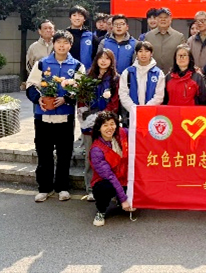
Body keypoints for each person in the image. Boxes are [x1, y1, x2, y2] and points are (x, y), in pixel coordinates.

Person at [26, 30, 86, 203]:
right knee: (44, 153)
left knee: (64, 153)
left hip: (65, 117)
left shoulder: (77, 66)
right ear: (53, 44)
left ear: (70, 45)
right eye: (58, 42)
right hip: (43, 116)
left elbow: (80, 88)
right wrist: (39, 99)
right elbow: (31, 85)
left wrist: (66, 98)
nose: (62, 45)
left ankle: (62, 187)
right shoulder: (42, 64)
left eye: (65, 43)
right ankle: (44, 188)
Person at [78, 48, 121, 201]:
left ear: (111, 61)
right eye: (101, 58)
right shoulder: (88, 77)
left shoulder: (115, 79)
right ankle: (91, 188)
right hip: (89, 124)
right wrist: (85, 115)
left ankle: (110, 188)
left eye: (107, 58)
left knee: (109, 156)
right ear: (96, 60)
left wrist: (103, 118)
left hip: (107, 124)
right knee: (91, 156)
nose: (103, 61)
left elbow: (115, 102)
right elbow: (81, 100)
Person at [89, 111, 135, 226]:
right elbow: (110, 176)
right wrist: (124, 200)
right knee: (104, 188)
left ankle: (121, 198)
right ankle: (101, 211)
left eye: (112, 124)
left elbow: (137, 133)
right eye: (105, 125)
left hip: (124, 177)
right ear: (99, 129)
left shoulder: (122, 133)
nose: (110, 128)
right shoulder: (96, 150)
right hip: (108, 181)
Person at [119, 41, 166, 125]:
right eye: (140, 51)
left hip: (152, 116)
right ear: (136, 54)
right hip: (131, 115)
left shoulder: (158, 73)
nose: (143, 54)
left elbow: (159, 96)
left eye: (146, 51)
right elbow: (123, 94)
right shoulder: (128, 72)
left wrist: (145, 110)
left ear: (151, 53)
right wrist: (134, 109)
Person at [144, 8, 185, 75]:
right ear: (157, 19)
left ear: (170, 19)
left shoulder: (179, 37)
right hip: (151, 74)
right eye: (160, 17)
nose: (163, 20)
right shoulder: (148, 36)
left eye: (166, 17)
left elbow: (183, 57)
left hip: (173, 75)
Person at [67, 5, 97, 71]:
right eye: (74, 15)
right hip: (66, 71)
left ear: (84, 19)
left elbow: (96, 56)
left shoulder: (91, 36)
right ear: (70, 18)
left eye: (80, 16)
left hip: (86, 73)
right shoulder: (64, 35)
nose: (77, 18)